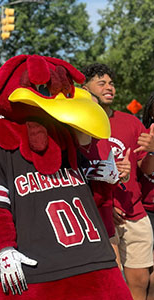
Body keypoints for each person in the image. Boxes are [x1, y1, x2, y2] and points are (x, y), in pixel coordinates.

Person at [0, 54, 133, 299]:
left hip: (85, 256)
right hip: (34, 262)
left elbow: (88, 198)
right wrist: (4, 247)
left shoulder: (64, 137)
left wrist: (104, 181)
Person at [81, 63, 154, 299]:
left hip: (135, 211)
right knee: (109, 284)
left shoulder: (131, 123)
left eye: (111, 83)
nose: (109, 87)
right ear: (85, 87)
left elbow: (146, 170)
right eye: (101, 83)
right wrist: (102, 202)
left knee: (141, 281)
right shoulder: (78, 125)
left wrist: (152, 152)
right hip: (99, 215)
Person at [138, 92, 154, 300]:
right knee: (146, 278)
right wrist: (151, 151)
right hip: (146, 212)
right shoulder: (142, 133)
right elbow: (147, 170)